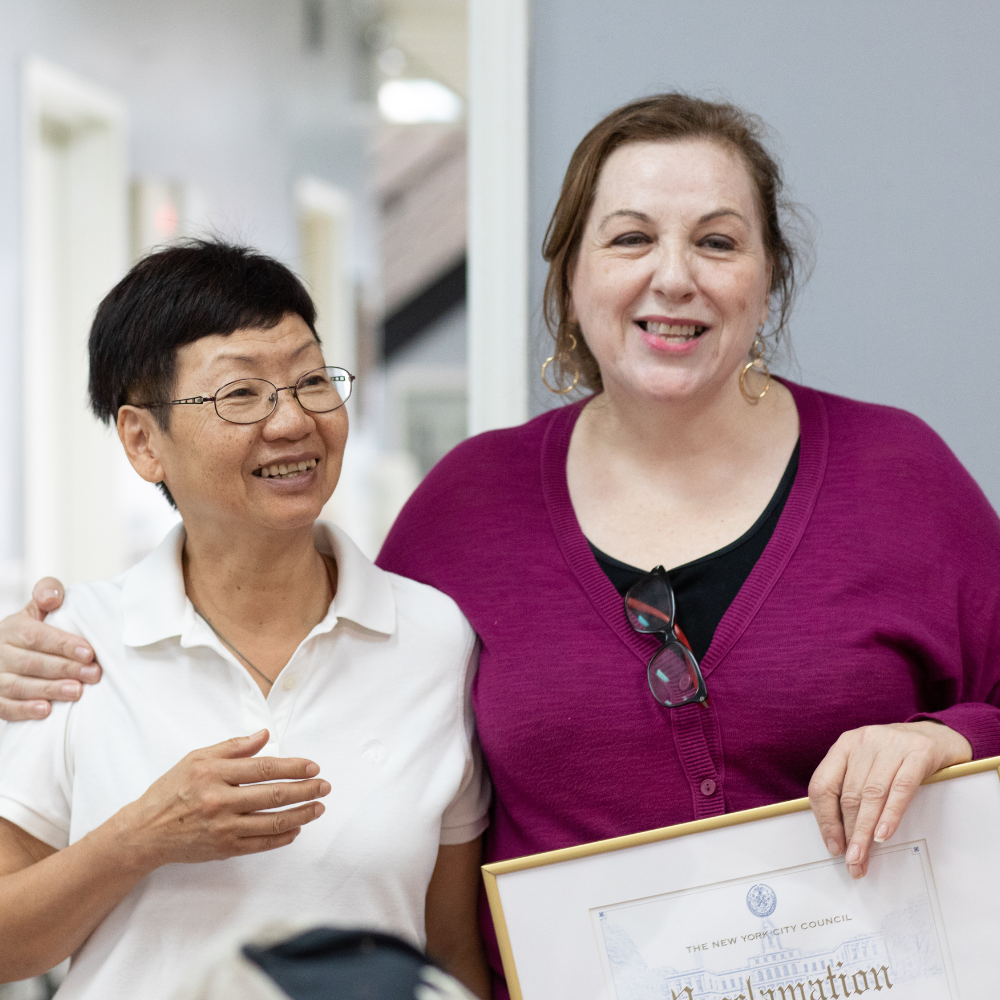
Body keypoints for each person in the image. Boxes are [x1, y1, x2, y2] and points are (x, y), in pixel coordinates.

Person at [3, 95, 1000, 997]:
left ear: (768, 272)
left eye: (718, 240)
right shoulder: (467, 513)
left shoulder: (898, 474)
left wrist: (946, 737)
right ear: (570, 274)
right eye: (629, 238)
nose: (674, 275)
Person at [0, 243, 490, 999]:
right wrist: (142, 836)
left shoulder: (432, 637)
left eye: (311, 380)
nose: (292, 420)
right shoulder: (73, 646)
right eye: (241, 395)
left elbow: (452, 949)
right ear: (142, 440)